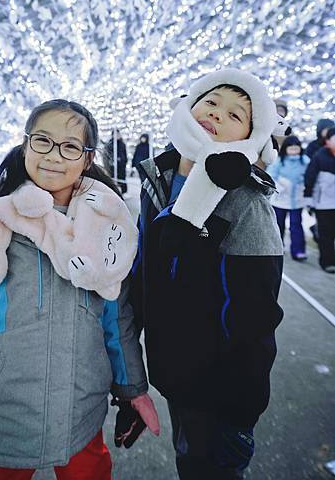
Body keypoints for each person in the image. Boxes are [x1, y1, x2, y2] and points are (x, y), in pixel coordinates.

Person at [0, 100, 159, 479]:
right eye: (43, 141)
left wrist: (131, 388)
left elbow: (116, 317)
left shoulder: (109, 227)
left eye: (71, 146)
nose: (55, 155)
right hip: (1, 415)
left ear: (87, 159)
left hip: (80, 412)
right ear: (25, 146)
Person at [131, 68, 284, 480]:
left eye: (236, 115)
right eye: (211, 101)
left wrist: (241, 409)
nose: (217, 114)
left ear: (250, 139)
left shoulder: (246, 205)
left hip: (220, 395)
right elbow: (144, 276)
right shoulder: (156, 180)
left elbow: (255, 318)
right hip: (174, 375)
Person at [267, 135, 309, 261]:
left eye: (296, 149)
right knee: (278, 225)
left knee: (296, 225)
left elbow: (309, 176)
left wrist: (303, 186)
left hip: (297, 200)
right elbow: (271, 175)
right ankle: (277, 247)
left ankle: (298, 251)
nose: (294, 152)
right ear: (286, 149)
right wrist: (281, 186)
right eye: (291, 149)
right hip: (280, 200)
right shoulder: (280, 161)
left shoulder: (305, 161)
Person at [304, 125, 335, 273]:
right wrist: (309, 197)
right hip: (324, 203)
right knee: (326, 233)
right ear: (327, 141)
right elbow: (310, 177)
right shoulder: (320, 156)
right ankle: (327, 262)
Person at [103, 130, 128, 195]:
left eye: (118, 134)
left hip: (121, 165)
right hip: (112, 165)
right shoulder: (110, 144)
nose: (117, 135)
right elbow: (107, 154)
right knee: (113, 178)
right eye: (115, 134)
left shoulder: (122, 144)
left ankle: (123, 192)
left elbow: (124, 154)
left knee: (122, 178)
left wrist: (124, 162)